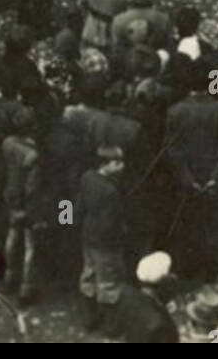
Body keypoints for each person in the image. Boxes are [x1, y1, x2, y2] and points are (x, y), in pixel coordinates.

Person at [165, 59, 218, 280]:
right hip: (215, 181)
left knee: (187, 222)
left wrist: (188, 180)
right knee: (214, 224)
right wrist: (216, 178)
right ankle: (212, 270)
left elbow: (172, 152)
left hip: (186, 181)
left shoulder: (175, 112)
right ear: (210, 82)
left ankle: (187, 268)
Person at [75, 143, 126, 335]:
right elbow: (109, 224)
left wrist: (67, 222)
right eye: (117, 162)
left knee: (88, 276)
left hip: (87, 236)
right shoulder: (111, 191)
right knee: (109, 284)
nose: (122, 166)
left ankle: (89, 320)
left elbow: (76, 205)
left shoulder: (87, 177)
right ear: (104, 164)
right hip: (106, 244)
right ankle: (111, 328)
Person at [1, 104, 44, 305]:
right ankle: (26, 289)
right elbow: (32, 188)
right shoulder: (33, 155)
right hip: (26, 203)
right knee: (30, 247)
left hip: (10, 196)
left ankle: (9, 279)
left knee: (12, 237)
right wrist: (34, 212)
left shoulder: (7, 143)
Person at [114, 252, 180, 343]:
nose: (175, 277)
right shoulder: (161, 324)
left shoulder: (126, 296)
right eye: (171, 274)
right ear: (164, 281)